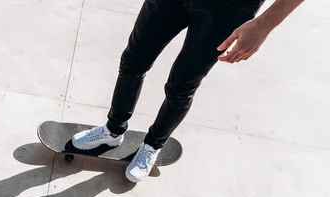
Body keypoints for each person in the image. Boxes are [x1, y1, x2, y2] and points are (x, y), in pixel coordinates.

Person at [72, 0, 305, 182]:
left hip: (229, 7)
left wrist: (264, 25)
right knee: (133, 61)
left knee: (181, 85)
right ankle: (113, 131)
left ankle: (152, 146)